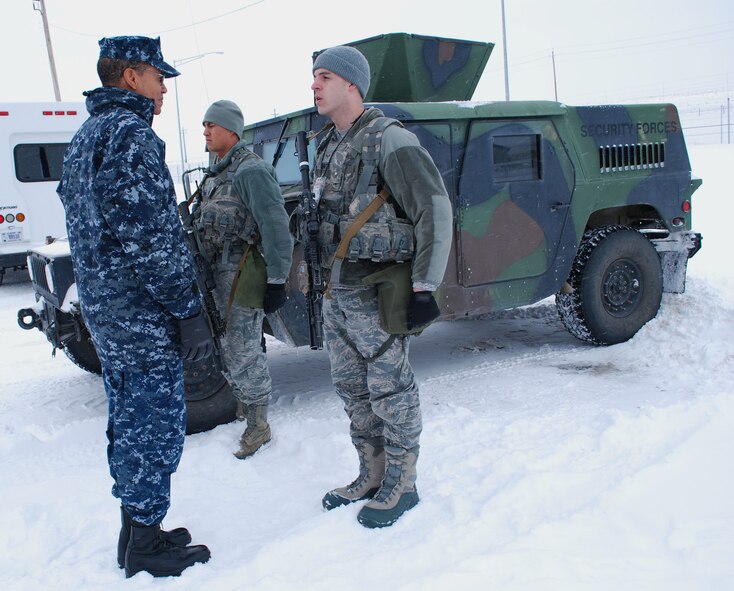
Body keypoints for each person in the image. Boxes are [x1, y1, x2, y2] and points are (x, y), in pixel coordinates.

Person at [57, 35, 213, 578]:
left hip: (107, 313)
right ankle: (144, 545)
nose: (164, 87)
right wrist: (188, 311)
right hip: (141, 314)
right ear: (130, 77)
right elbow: (152, 237)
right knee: (154, 423)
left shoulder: (87, 136)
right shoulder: (129, 136)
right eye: (157, 76)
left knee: (129, 420)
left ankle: (135, 529)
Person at [310, 46, 453, 528]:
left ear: (352, 84)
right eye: (314, 77)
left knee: (391, 390)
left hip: (378, 290)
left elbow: (433, 208)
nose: (314, 85)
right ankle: (370, 474)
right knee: (353, 390)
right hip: (340, 292)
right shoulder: (330, 142)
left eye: (324, 77)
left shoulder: (391, 140)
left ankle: (403, 482)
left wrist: (425, 286)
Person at [191, 100, 293, 459]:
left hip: (242, 273)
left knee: (244, 350)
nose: (205, 131)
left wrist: (278, 280)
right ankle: (245, 408)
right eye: (203, 125)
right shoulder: (216, 174)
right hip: (216, 273)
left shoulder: (251, 171)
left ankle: (259, 424)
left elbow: (276, 226)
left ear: (232, 130)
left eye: (211, 125)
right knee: (226, 347)